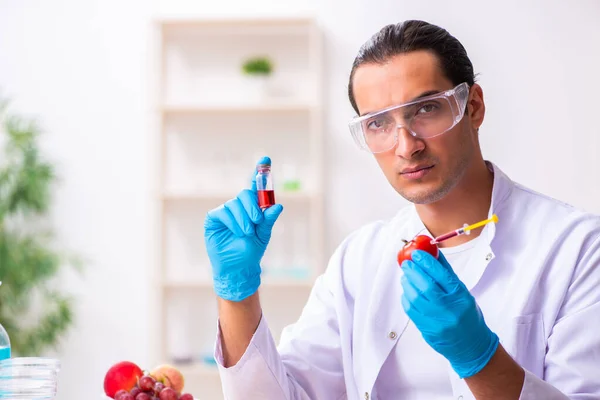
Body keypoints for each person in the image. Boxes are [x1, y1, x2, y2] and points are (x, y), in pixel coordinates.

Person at [203, 20, 600, 400]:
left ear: (473, 107)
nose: (406, 146)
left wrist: (479, 358)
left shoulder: (577, 249)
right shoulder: (359, 260)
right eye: (378, 124)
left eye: (426, 109)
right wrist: (237, 295)